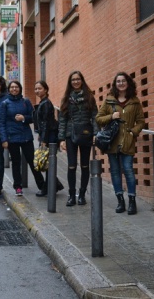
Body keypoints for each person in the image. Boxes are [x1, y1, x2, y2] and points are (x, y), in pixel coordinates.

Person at [95, 72, 145, 214]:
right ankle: (120, 201)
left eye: (123, 81)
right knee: (115, 172)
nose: (121, 83)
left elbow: (141, 122)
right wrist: (111, 116)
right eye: (118, 81)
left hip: (128, 142)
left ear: (128, 83)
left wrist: (133, 132)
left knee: (128, 170)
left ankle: (132, 201)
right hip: (112, 142)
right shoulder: (109, 100)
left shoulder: (135, 101)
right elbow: (98, 118)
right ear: (115, 84)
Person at [0, 81, 45, 196]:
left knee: (33, 162)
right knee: (16, 163)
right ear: (9, 89)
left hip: (26, 136)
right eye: (12, 87)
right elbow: (1, 123)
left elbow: (33, 118)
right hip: (12, 137)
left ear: (20, 88)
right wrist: (4, 139)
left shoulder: (25, 101)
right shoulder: (5, 103)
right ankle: (18, 187)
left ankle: (42, 186)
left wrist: (24, 118)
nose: (14, 89)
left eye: (16, 87)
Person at [58, 71, 98, 207]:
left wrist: (95, 133)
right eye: (73, 80)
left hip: (86, 133)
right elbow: (62, 120)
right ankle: (71, 195)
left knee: (85, 165)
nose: (75, 81)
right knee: (72, 165)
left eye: (78, 79)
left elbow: (94, 116)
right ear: (70, 82)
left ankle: (82, 194)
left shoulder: (89, 97)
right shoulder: (66, 99)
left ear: (82, 80)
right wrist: (61, 139)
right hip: (70, 135)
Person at [32, 80, 64, 197]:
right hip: (47, 135)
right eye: (36, 89)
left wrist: (44, 141)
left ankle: (47, 188)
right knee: (47, 162)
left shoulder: (46, 103)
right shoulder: (43, 102)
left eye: (39, 88)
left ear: (45, 90)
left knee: (47, 162)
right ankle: (56, 185)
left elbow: (46, 123)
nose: (37, 91)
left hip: (49, 137)